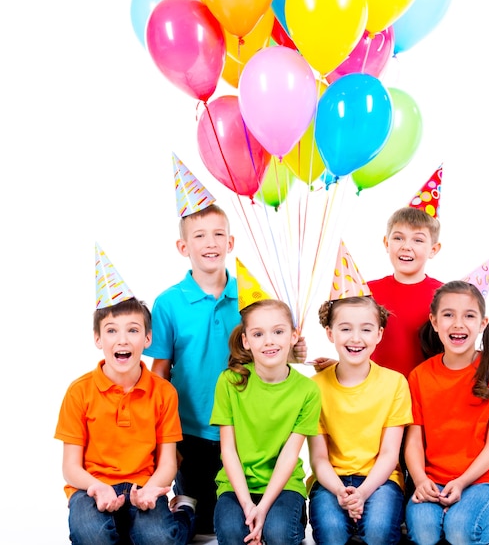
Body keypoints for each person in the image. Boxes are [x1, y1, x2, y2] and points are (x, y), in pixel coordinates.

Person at [145, 161, 307, 535]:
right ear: (183, 246)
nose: (211, 243)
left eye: (219, 234)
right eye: (200, 236)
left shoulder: (250, 299)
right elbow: (160, 373)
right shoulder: (168, 303)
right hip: (190, 427)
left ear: (231, 243)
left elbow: (278, 350)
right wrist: (163, 435)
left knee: (236, 516)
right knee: (203, 525)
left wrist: (297, 347)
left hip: (247, 427)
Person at [55, 289, 195, 544]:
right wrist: (96, 487)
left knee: (158, 539)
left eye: (132, 330)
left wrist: (151, 489)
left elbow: (167, 463)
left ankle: (184, 513)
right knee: (91, 534)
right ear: (97, 338)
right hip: (90, 487)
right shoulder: (79, 392)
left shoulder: (164, 392)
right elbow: (70, 467)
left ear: (148, 338)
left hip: (143, 485)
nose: (122, 340)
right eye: (111, 331)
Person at [404, 280, 489, 545]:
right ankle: (452, 511)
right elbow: (413, 440)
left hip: (483, 478)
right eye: (448, 315)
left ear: (482, 323)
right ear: (434, 322)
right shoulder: (419, 376)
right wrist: (421, 480)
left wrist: (462, 482)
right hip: (434, 478)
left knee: (459, 532)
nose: (458, 324)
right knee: (424, 535)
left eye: (469, 316)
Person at [210, 298, 321, 545]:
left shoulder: (308, 390)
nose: (269, 341)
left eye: (278, 332)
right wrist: (249, 506)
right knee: (232, 533)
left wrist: (263, 508)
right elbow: (228, 450)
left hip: (284, 485)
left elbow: (289, 455)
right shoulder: (229, 382)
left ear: (294, 336)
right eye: (258, 334)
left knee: (279, 534)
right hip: (236, 485)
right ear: (246, 341)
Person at [308, 295, 413, 545]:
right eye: (345, 329)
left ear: (379, 334)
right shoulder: (314, 388)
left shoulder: (395, 383)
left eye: (366, 329)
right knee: (331, 535)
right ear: (330, 333)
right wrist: (339, 492)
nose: (356, 338)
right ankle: (353, 523)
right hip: (331, 481)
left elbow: (390, 454)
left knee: (378, 532)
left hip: (381, 480)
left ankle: (360, 523)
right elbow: (319, 458)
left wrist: (363, 493)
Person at [314, 206, 442, 378]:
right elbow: (356, 340)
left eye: (418, 240)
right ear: (386, 243)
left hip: (425, 393)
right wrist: (340, 366)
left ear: (433, 249)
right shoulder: (366, 292)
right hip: (376, 394)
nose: (406, 246)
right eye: (398, 238)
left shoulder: (444, 296)